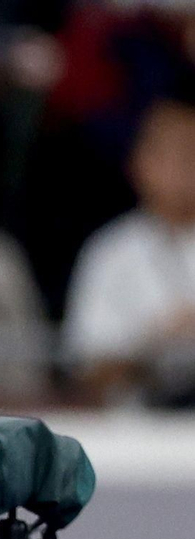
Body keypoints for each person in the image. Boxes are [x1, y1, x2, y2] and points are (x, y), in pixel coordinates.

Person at [64, 86, 195, 407]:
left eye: (191, 153)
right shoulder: (109, 252)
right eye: (173, 153)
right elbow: (85, 369)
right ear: (140, 161)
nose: (185, 167)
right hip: (133, 423)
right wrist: (154, 343)